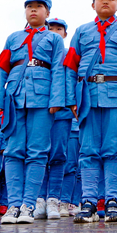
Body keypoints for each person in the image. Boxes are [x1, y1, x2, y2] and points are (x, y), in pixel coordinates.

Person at [66, 0, 117, 223]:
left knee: (114, 150)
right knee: (88, 150)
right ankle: (88, 201)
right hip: (88, 96)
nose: (106, 1)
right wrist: (71, 99)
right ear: (93, 5)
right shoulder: (81, 32)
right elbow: (70, 66)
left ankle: (112, 201)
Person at [0, 0, 66, 224]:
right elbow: (2, 69)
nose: (33, 10)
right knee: (13, 151)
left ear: (47, 13)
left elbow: (58, 69)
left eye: (38, 7)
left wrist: (56, 99)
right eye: (29, 7)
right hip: (15, 97)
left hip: (43, 99)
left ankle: (28, 205)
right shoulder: (13, 38)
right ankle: (13, 205)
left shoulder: (54, 39)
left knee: (37, 151)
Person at [43, 17, 73, 219]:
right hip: (39, 110)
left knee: (58, 155)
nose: (54, 31)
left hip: (61, 113)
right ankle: (37, 200)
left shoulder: (69, 54)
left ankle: (53, 199)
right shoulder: (39, 52)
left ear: (65, 34)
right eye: (50, 28)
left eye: (58, 29)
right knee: (37, 155)